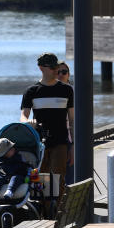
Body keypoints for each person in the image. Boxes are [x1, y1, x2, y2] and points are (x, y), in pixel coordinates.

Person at [20, 52, 74, 190]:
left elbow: (73, 120)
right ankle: (43, 210)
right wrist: (28, 121)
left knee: (58, 178)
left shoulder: (66, 90)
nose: (56, 71)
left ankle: (56, 211)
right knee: (39, 180)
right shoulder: (31, 91)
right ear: (41, 68)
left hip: (60, 142)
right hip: (39, 142)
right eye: (52, 68)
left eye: (56, 67)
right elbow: (23, 117)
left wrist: (73, 146)